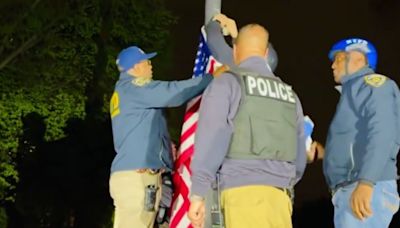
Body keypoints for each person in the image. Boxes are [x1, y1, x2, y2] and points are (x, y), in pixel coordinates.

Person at [188, 21, 307, 228]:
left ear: (235, 50)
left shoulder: (228, 83)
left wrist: (198, 193)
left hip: (242, 194)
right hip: (280, 198)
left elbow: (212, 137)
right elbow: (299, 154)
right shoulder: (290, 95)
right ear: (266, 52)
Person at [109, 45, 216, 228]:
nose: (151, 65)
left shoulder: (128, 92)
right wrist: (211, 77)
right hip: (136, 178)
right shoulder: (133, 88)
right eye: (146, 62)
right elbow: (172, 92)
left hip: (142, 177)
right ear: (134, 67)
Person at [323, 38, 400, 227]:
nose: (333, 65)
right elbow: (356, 143)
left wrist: (366, 182)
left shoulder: (372, 85)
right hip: (354, 186)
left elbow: (383, 133)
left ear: (358, 59)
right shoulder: (353, 92)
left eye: (339, 58)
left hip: (364, 186)